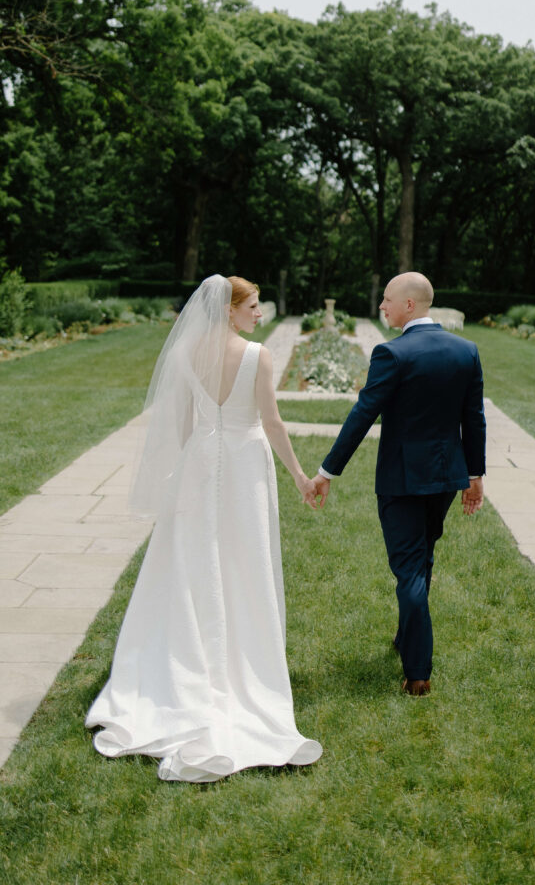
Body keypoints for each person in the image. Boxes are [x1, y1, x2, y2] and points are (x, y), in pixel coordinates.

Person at [86, 274, 323, 781]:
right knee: (244, 561)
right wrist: (301, 476)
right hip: (243, 465)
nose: (259, 314)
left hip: (200, 463)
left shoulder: (184, 354)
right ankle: (242, 665)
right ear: (230, 310)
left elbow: (180, 426)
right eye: (254, 306)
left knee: (192, 561)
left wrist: (183, 476)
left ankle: (184, 666)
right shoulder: (258, 356)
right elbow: (272, 421)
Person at [310, 272, 486, 697]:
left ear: (410, 304)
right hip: (447, 476)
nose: (382, 307)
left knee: (408, 570)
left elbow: (362, 415)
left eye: (387, 300)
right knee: (422, 558)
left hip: (401, 479)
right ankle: (407, 635)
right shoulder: (466, 351)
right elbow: (474, 418)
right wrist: (475, 476)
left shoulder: (391, 353)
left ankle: (418, 672)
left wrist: (326, 472)